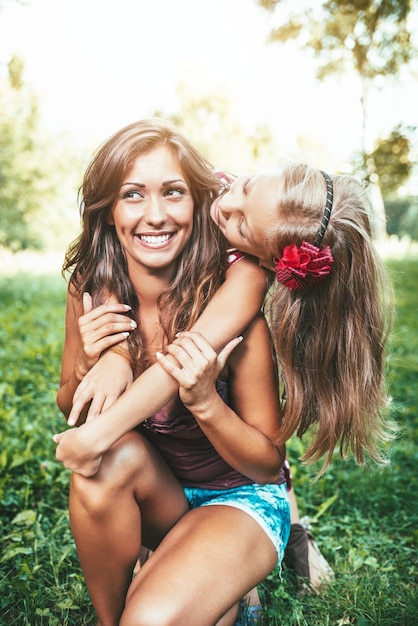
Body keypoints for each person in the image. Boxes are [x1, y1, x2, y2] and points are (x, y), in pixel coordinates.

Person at [55, 119, 292, 626]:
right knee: (103, 463)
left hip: (237, 498)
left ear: (198, 202)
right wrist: (88, 364)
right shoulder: (91, 289)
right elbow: (69, 403)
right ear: (109, 209)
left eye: (174, 193)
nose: (155, 215)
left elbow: (268, 465)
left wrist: (206, 401)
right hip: (159, 494)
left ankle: (220, 577)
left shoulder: (231, 303)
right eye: (133, 195)